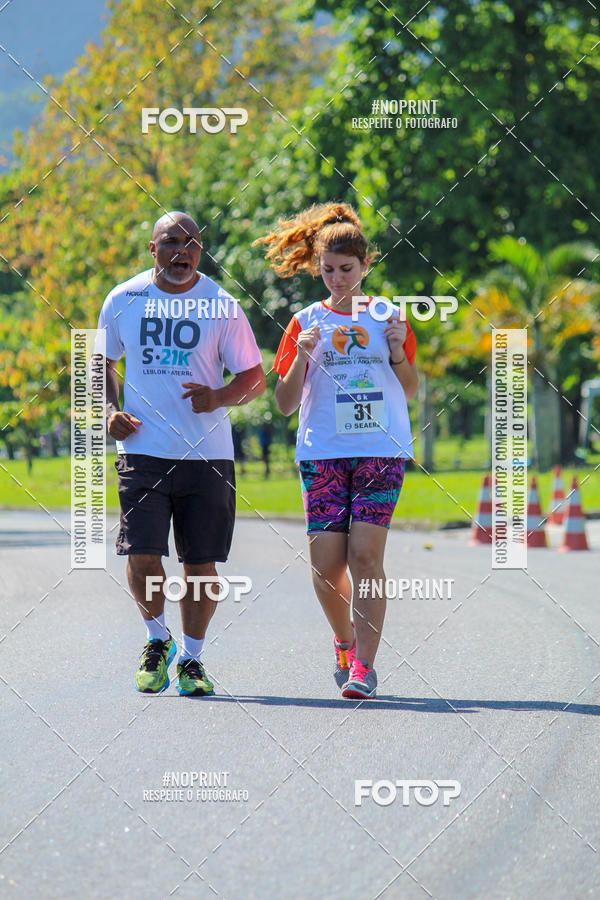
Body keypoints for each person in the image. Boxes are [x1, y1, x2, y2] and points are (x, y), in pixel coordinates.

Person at [98, 211, 265, 696]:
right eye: (171, 241)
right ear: (153, 249)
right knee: (142, 554)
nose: (182, 251)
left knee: (201, 566)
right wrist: (110, 411)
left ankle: (192, 659)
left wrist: (218, 397)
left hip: (207, 456)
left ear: (200, 250)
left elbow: (253, 378)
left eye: (191, 243)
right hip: (143, 450)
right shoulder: (124, 299)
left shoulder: (221, 305)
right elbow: (100, 362)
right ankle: (157, 639)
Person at [255, 202, 418, 698]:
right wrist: (301, 357)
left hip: (379, 449)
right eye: (328, 270)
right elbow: (283, 404)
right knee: (327, 567)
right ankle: (345, 642)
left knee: (365, 556)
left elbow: (410, 389)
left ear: (366, 265)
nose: (338, 279)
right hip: (322, 451)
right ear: (317, 266)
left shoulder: (391, 316)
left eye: (347, 269)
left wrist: (394, 351)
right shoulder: (304, 321)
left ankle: (364, 668)